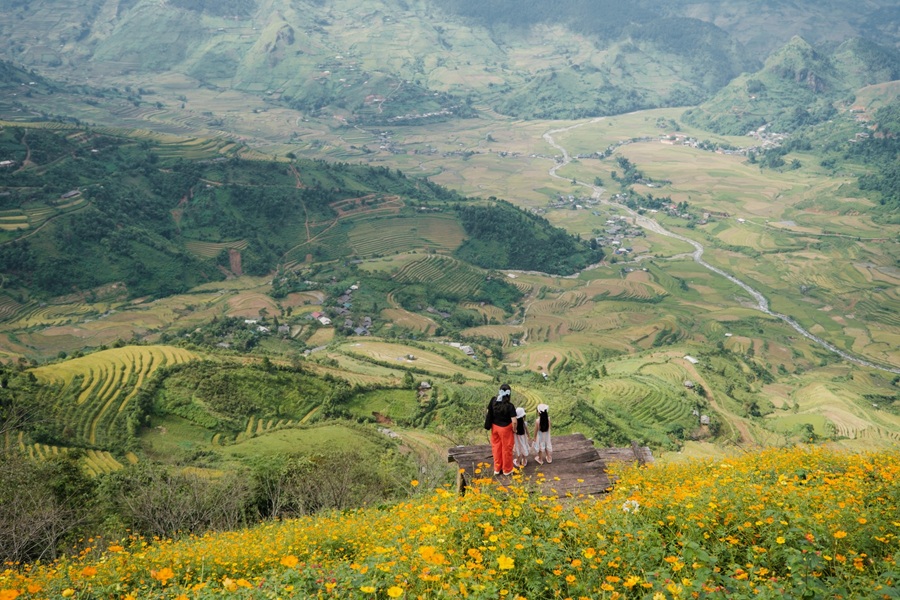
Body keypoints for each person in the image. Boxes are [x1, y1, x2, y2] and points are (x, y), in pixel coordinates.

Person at [489, 384, 517, 476]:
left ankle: (497, 469)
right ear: (509, 394)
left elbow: (488, 412)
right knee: (506, 449)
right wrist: (514, 430)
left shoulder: (494, 401)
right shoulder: (510, 406)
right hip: (505, 429)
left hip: (495, 428)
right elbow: (514, 421)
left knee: (496, 448)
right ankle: (507, 470)